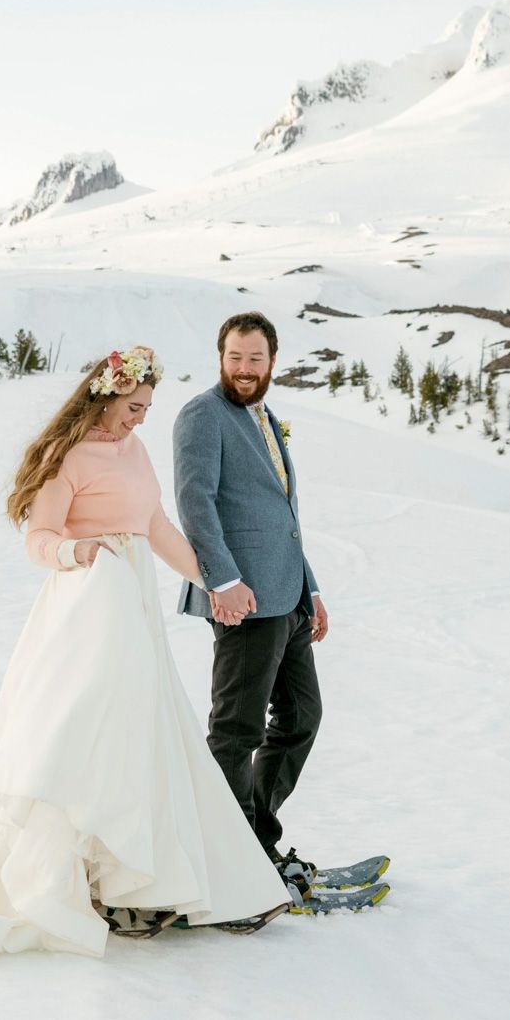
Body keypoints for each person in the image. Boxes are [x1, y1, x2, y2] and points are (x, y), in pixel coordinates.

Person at [0, 346, 291, 964]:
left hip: (135, 609)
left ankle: (137, 885)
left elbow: (156, 527)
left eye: (148, 408)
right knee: (81, 733)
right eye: (133, 407)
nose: (140, 419)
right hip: (87, 607)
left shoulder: (137, 452)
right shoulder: (67, 457)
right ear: (105, 397)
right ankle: (83, 880)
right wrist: (78, 553)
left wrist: (212, 581)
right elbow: (38, 538)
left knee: (138, 734)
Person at [173, 313, 329, 895]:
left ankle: (252, 839)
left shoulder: (263, 416)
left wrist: (310, 589)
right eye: (236, 357)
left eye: (255, 359)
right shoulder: (201, 416)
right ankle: (229, 859)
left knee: (300, 719)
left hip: (287, 599)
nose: (244, 369)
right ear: (221, 356)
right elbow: (196, 505)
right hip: (242, 601)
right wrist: (223, 581)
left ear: (271, 361)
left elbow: (285, 518)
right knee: (236, 732)